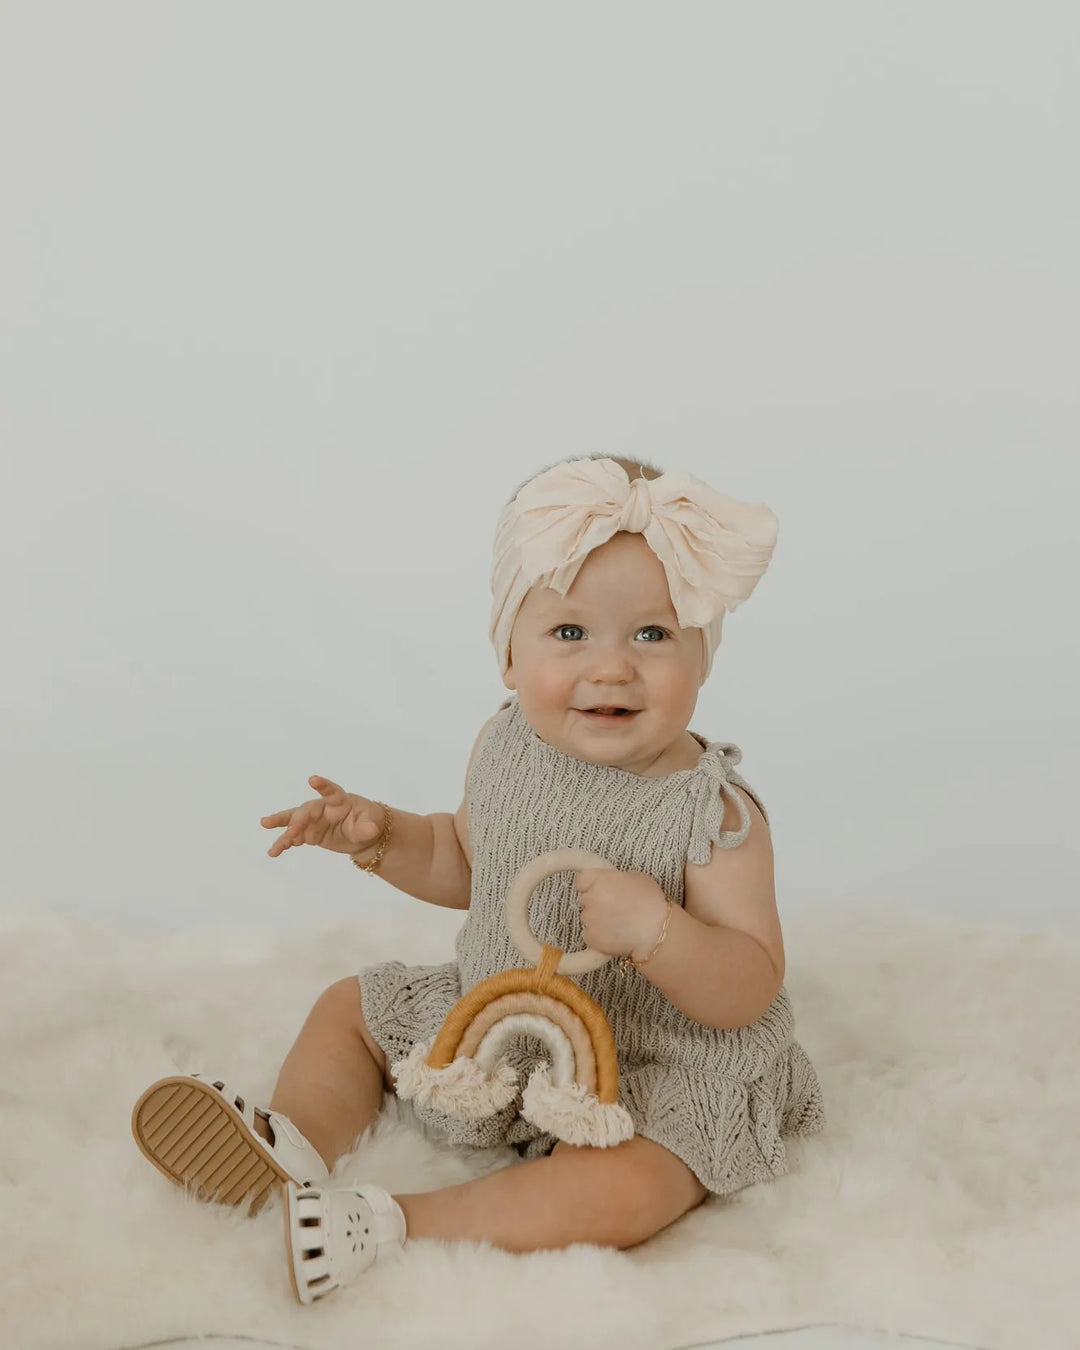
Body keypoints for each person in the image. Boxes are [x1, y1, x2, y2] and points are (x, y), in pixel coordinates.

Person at [131, 452, 826, 1305]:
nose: (611, 667)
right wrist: (383, 837)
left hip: (657, 1063)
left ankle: (391, 1224)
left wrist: (658, 932)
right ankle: (292, 1151)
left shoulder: (713, 815)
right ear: (507, 653)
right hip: (500, 1015)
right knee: (351, 1007)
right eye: (569, 633)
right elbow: (470, 862)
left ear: (704, 655)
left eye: (653, 634)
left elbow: (751, 985)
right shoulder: (505, 746)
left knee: (637, 1182)